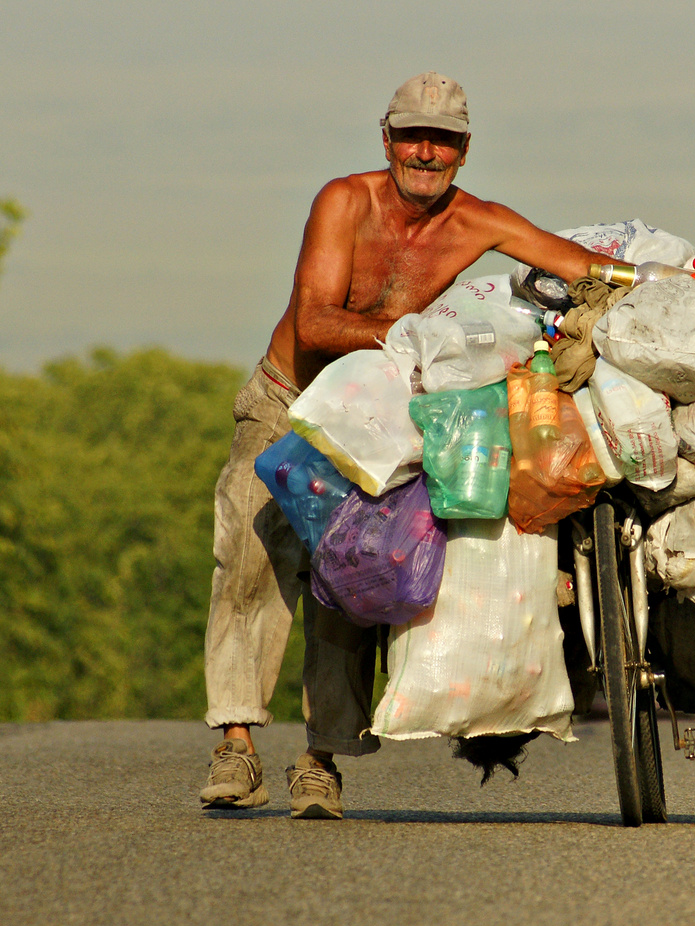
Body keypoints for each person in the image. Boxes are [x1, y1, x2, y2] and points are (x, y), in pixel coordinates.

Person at [198, 72, 618, 818]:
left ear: (464, 151)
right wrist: (428, 341)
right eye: (413, 136)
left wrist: (664, 281)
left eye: (444, 141)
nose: (426, 153)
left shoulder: (481, 221)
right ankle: (236, 742)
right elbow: (319, 323)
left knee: (350, 581)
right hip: (290, 404)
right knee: (252, 565)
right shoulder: (344, 201)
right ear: (386, 138)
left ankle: (320, 759)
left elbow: (581, 268)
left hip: (380, 423)